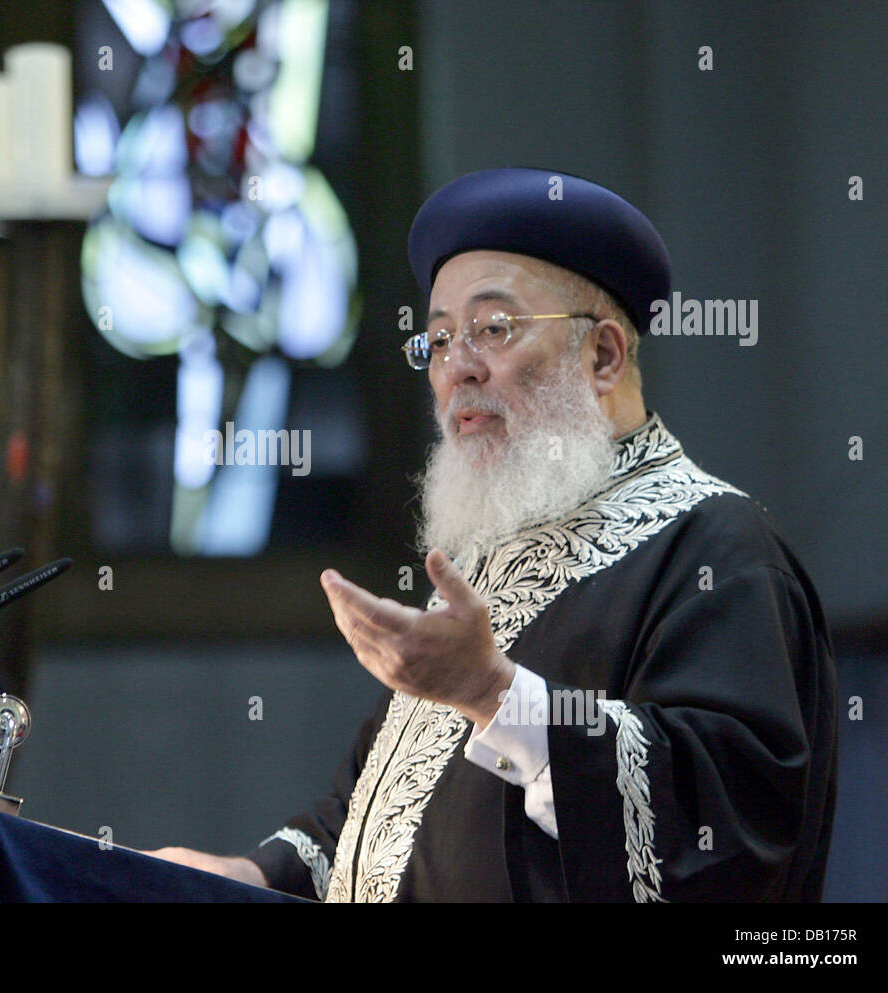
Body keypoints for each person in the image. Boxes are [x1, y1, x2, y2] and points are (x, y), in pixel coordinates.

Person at [149, 167, 838, 901]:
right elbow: (378, 823)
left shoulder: (716, 547)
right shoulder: (486, 562)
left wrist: (493, 692)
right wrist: (249, 875)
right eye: (439, 339)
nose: (456, 369)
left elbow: (727, 829)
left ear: (602, 355)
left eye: (493, 329)